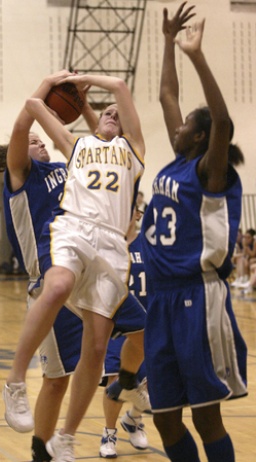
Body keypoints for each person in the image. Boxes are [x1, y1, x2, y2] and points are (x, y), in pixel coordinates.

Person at [2, 70, 146, 462]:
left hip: (108, 250)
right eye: (32, 141)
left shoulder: (109, 156)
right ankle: (19, 393)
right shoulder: (34, 169)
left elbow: (114, 102)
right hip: (67, 246)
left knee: (103, 345)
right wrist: (55, 83)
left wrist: (84, 99)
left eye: (39, 138)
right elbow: (30, 112)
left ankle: (119, 396)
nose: (37, 142)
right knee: (56, 373)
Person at [141, 3, 247, 462]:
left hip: (197, 297)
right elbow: (167, 97)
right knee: (164, 416)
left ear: (201, 138)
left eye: (186, 124)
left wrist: (197, 56)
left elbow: (222, 121)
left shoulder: (210, 172)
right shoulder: (178, 162)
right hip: (160, 299)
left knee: (206, 416)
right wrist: (167, 42)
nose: (177, 124)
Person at [99, 207, 148, 458]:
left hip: (145, 326)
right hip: (117, 325)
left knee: (150, 382)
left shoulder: (148, 244)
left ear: (137, 214)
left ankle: (134, 418)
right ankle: (109, 433)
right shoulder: (107, 245)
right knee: (115, 379)